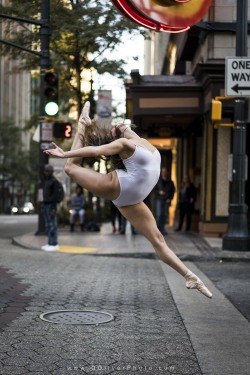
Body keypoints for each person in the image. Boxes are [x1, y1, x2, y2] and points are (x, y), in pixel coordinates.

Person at [43, 101, 212, 298]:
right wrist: (65, 153)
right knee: (70, 167)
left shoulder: (140, 140)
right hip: (122, 186)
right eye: (116, 127)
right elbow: (96, 151)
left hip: (133, 198)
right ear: (117, 135)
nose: (118, 124)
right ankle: (82, 127)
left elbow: (118, 136)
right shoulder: (124, 144)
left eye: (120, 124)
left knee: (158, 240)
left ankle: (190, 276)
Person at [42, 164, 59, 251]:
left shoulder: (54, 182)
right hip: (46, 205)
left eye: (48, 171)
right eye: (45, 171)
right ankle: (49, 243)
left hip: (51, 206)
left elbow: (55, 196)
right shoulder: (46, 181)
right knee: (48, 226)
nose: (46, 173)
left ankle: (54, 244)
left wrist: (53, 208)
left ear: (51, 172)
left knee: (53, 226)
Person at [155, 167, 175, 235]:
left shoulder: (170, 182)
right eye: (163, 171)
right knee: (159, 214)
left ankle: (163, 229)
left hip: (166, 200)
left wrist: (170, 198)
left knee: (165, 215)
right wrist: (159, 192)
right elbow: (154, 190)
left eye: (165, 171)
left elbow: (173, 191)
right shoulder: (158, 181)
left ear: (167, 172)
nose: (164, 173)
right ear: (161, 172)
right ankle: (158, 230)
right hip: (159, 199)